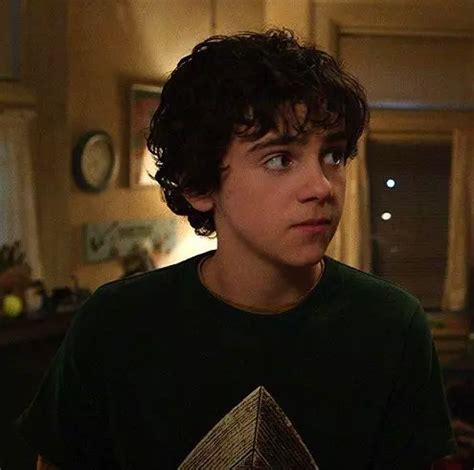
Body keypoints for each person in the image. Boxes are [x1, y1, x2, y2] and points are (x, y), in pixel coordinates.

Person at [17, 29, 455, 469]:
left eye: (334, 155)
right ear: (199, 184)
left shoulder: (391, 326)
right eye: (280, 159)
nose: (322, 187)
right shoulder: (115, 324)